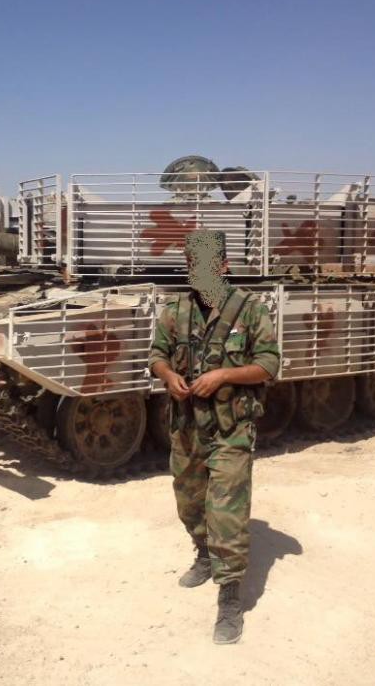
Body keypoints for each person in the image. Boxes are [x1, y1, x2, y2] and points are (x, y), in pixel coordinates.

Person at [148, 229, 280, 644]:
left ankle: (230, 595)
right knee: (189, 500)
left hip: (231, 428)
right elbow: (157, 355)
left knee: (226, 511)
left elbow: (269, 364)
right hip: (187, 426)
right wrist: (168, 376)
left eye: (206, 266)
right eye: (193, 266)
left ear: (223, 266)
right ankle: (203, 553)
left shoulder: (249, 311)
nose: (199, 273)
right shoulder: (176, 310)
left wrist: (224, 375)